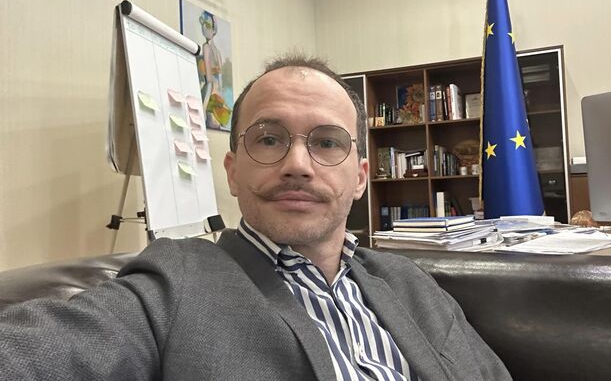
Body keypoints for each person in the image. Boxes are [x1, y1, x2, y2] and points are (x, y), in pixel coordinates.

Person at [0, 54, 511, 380]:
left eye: (327, 142)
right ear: (232, 171)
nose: (297, 164)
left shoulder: (409, 281)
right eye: (268, 139)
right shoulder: (174, 281)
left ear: (359, 178)